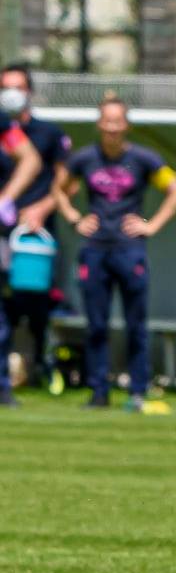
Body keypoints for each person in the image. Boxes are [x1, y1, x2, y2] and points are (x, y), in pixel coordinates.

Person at [54, 96, 176, 413]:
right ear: (99, 125)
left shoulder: (144, 159)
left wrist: (151, 225)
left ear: (126, 125)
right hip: (95, 249)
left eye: (117, 121)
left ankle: (138, 391)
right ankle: (98, 392)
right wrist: (75, 219)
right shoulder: (84, 159)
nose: (112, 128)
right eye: (107, 121)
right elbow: (58, 189)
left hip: (130, 250)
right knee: (96, 325)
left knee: (135, 324)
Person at [0, 64, 71, 392]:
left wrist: (40, 209)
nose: (10, 94)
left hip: (36, 235)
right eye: (5, 87)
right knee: (6, 306)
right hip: (5, 232)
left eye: (17, 87)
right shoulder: (5, 127)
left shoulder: (48, 133)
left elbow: (66, 180)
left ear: (29, 91)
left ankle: (41, 365)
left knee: (36, 302)